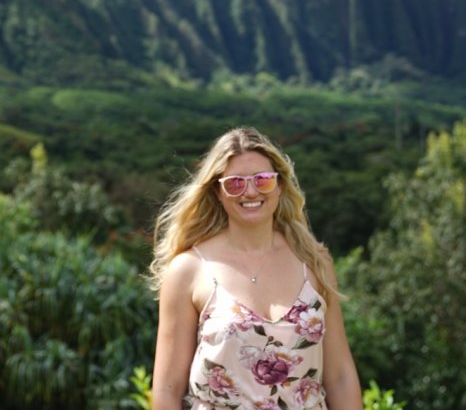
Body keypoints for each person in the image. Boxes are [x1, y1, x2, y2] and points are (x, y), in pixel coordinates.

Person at [149, 126, 362, 410]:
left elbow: (340, 377)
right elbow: (167, 389)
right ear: (218, 192)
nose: (250, 191)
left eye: (262, 180)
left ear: (280, 185)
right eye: (235, 183)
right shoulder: (189, 270)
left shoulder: (313, 260)